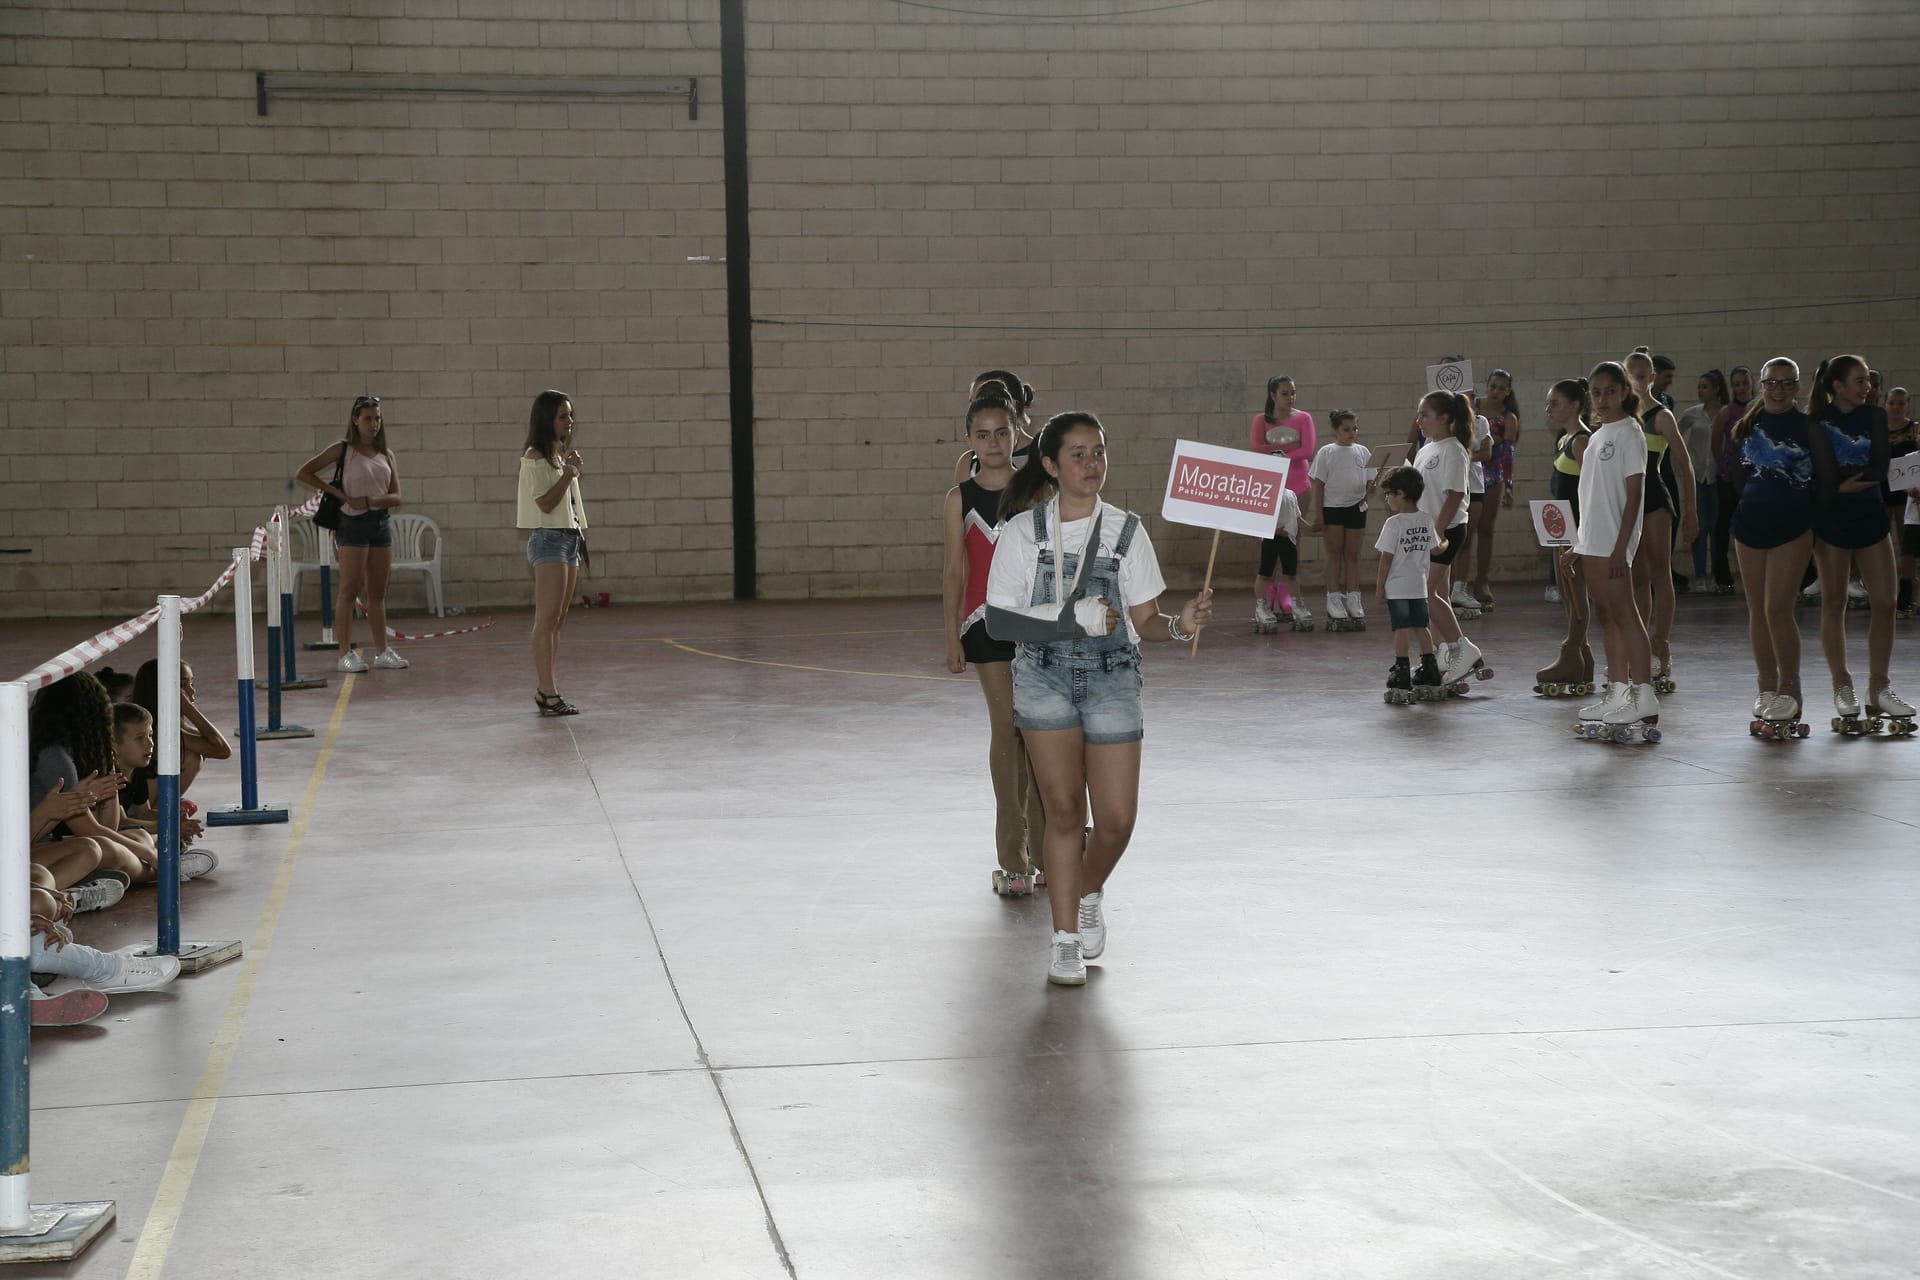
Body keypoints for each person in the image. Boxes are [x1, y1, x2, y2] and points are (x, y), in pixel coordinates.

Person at [984, 411, 1213, 986]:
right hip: (1043, 679)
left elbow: (1146, 621)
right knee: (1064, 813)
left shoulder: (1126, 531)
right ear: (1050, 465)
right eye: (1079, 454)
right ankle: (1064, 939)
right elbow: (999, 621)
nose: (1092, 464)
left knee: (1115, 821)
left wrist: (1180, 625)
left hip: (1113, 678)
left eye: (1100, 452)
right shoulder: (1022, 533)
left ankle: (1086, 891)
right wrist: (1070, 619)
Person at [942, 390, 1046, 896]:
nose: (993, 443)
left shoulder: (1035, 492)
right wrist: (951, 636)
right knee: (1007, 730)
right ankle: (1014, 860)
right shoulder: (958, 498)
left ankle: (1047, 853)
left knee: (1039, 734)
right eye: (982, 435)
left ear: (1015, 435)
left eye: (1002, 433)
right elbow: (953, 571)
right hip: (983, 626)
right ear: (969, 439)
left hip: (1032, 624)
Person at [1806, 355, 1913, 728]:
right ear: (1838, 385)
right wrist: (1836, 487)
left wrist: (1842, 484)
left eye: (1868, 380)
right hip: (1831, 519)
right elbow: (1819, 475)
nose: (1867, 387)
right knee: (1834, 601)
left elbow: (1880, 467)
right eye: (1860, 381)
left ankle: (1879, 687)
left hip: (1870, 516)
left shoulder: (1875, 416)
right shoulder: (1817, 421)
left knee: (1885, 601)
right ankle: (1842, 684)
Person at [1730, 357, 1835, 733]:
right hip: (1750, 526)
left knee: (1777, 609)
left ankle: (1790, 688)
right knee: (1757, 610)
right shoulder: (1748, 425)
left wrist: (1806, 517)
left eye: (1786, 383)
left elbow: (1827, 481)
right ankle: (1766, 687)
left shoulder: (1809, 428)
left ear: (1797, 387)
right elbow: (1738, 476)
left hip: (1792, 527)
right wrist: (1752, 504)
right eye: (1771, 383)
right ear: (1761, 386)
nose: (1778, 390)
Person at [1567, 363, 1658, 736]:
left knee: (1626, 613)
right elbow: (1590, 496)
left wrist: (1622, 547)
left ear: (1624, 391)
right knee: (1606, 615)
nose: (1602, 399)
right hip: (1593, 540)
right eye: (1596, 393)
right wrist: (1579, 543)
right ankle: (1618, 690)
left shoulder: (1630, 434)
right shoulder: (1598, 437)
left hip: (1615, 542)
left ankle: (1644, 694)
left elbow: (1634, 495)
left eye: (1609, 391)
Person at [297, 394, 407, 673]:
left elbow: (396, 496)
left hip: (380, 524)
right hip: (352, 525)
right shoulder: (344, 449)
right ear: (355, 420)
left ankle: (382, 651)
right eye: (368, 419)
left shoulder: (387, 454)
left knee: (377, 592)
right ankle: (344, 653)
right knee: (349, 589)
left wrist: (371, 501)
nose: (374, 424)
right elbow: (304, 473)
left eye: (377, 419)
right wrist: (342, 496)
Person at [1623, 349, 1698, 692]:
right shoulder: (1621, 415)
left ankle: (1661, 644)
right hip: (1629, 501)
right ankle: (1640, 645)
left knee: (1660, 573)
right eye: (1630, 376)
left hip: (1654, 499)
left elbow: (1685, 464)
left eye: (1641, 376)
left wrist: (1692, 511)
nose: (1636, 382)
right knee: (1637, 576)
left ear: (1652, 378)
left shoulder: (1662, 416)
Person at [519, 390, 590, 716]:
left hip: (569, 537)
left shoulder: (559, 455)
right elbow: (545, 504)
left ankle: (547, 688)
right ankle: (548, 692)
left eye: (570, 415)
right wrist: (569, 473)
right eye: (563, 416)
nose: (570, 421)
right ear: (547, 418)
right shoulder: (535, 456)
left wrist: (569, 469)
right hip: (548, 539)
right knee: (546, 619)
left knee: (557, 619)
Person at [1410, 391, 1486, 685]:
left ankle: (1463, 648)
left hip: (1446, 530)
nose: (1419, 420)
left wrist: (1438, 530)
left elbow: (1455, 494)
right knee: (1437, 594)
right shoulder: (1426, 448)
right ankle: (1443, 653)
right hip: (1426, 531)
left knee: (1425, 593)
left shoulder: (1454, 450)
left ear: (1444, 418)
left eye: (1424, 415)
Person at [1535, 379, 1596, 697]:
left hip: (1576, 529)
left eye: (1554, 403)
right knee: (1567, 594)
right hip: (1561, 528)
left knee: (1576, 593)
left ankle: (1572, 654)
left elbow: (1592, 490)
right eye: (1548, 403)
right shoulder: (1564, 438)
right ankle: (1582, 658)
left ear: (1574, 405)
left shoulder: (1582, 441)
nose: (1549, 408)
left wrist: (1582, 537)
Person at [1249, 375, 1316, 628]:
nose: (1291, 398)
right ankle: (1267, 592)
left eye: (1293, 393)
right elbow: (1256, 448)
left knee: (1292, 540)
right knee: (1269, 539)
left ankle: (1288, 592)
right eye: (1285, 393)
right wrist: (1291, 447)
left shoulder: (1304, 418)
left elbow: (1307, 450)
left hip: (1298, 485)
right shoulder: (1261, 420)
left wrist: (1277, 452)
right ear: (1273, 395)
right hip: (1270, 486)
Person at [1374, 466, 1444, 702]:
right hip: (1419, 586)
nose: (1387, 499)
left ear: (1401, 494)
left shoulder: (1393, 524)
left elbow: (1386, 559)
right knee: (1422, 627)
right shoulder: (1426, 519)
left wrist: (1379, 588)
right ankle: (1430, 668)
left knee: (1401, 628)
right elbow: (1437, 549)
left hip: (1397, 588)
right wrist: (1446, 543)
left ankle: (1402, 671)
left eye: (1389, 494)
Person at [129, 658, 232, 807]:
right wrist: (190, 710)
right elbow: (221, 750)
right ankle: (158, 811)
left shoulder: (171, 721)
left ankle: (160, 808)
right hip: (135, 808)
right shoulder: (156, 727)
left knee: (196, 750)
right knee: (191, 757)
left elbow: (212, 742)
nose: (192, 690)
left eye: (192, 684)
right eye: (183, 685)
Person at [1306, 409, 1373, 628]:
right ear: (1335, 430)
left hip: (1356, 508)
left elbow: (1369, 481)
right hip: (1333, 509)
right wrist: (1319, 514)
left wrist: (1370, 487)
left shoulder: (1363, 452)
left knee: (1352, 555)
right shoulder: (1327, 452)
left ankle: (1354, 597)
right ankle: (1333, 597)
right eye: (1346, 429)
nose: (1352, 433)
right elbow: (1318, 485)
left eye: (1355, 428)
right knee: (1334, 553)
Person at [1469, 369, 1521, 607]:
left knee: (1485, 529)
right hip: (1469, 469)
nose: (1496, 392)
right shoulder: (1473, 406)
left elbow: (1508, 454)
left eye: (1501, 388)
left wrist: (1509, 487)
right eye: (1493, 386)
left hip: (1492, 474)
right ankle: (1456, 580)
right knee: (1463, 529)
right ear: (1486, 385)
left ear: (1508, 391)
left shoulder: (1508, 417)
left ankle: (1482, 580)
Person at [1679, 370, 1729, 592]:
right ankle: (1700, 575)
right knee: (1699, 527)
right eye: (1699, 387)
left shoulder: (1726, 413)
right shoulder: (1692, 414)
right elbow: (1674, 433)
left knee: (1717, 528)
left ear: (1716, 389)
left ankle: (1718, 575)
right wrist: (1683, 459)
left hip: (1719, 477)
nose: (1700, 391)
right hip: (1698, 476)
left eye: (1705, 387)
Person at [1707, 365, 1753, 593]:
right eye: (1737, 384)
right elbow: (1716, 443)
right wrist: (1725, 467)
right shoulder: (1727, 412)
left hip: (1754, 478)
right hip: (1729, 478)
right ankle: (1723, 578)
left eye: (1745, 383)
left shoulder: (1760, 408)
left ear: (1752, 383)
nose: (1742, 388)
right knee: (1723, 526)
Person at [953, 370, 1037, 485]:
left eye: (983, 399)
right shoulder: (969, 462)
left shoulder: (1041, 456)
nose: (976, 407)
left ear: (1010, 403)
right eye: (972, 403)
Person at [1883, 385, 1917, 616]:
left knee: (1908, 546)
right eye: (1892, 403)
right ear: (1885, 404)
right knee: (1881, 541)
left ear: (1907, 405)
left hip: (1908, 495)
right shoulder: (1877, 430)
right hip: (1882, 490)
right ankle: (1883, 590)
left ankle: (1909, 594)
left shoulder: (1914, 430)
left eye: (1901, 403)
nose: (1896, 408)